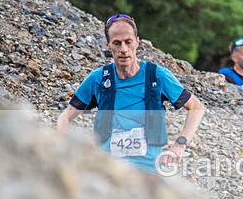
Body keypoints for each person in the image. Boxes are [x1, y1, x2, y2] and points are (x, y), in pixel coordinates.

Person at [57, 14, 205, 173]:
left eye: (128, 42)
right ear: (108, 45)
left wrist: (180, 144)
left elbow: (196, 107)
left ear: (137, 42)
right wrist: (63, 146)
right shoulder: (98, 79)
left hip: (150, 173)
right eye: (117, 43)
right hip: (108, 171)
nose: (123, 50)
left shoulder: (157, 76)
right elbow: (65, 116)